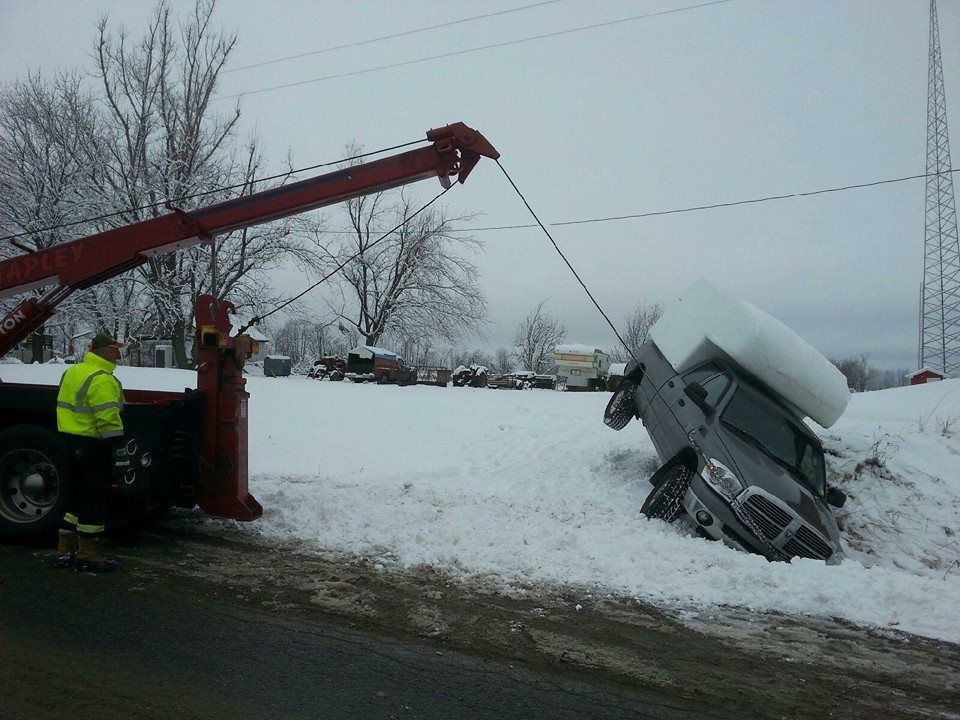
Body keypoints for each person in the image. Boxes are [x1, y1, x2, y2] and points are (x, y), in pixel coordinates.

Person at [54, 332, 130, 573]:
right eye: (113, 348)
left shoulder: (73, 372)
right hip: (92, 446)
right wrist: (117, 447)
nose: (118, 353)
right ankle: (87, 554)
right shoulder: (102, 379)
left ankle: (64, 551)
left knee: (75, 497)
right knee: (94, 499)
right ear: (100, 350)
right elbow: (107, 417)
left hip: (69, 441)